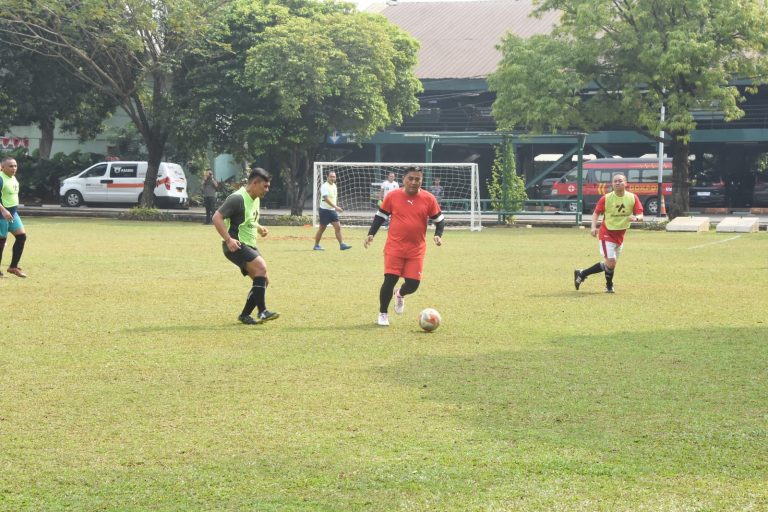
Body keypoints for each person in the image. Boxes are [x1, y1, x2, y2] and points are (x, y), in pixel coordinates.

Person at [364, 166, 444, 326]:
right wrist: (371, 233)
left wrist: (437, 235)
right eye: (411, 178)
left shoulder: (429, 198)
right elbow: (380, 216)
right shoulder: (393, 196)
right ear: (404, 180)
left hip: (417, 249)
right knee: (390, 279)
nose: (414, 182)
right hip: (395, 247)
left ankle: (400, 294)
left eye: (417, 179)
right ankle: (383, 314)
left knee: (413, 284)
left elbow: (439, 220)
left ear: (421, 181)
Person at [213, 167, 279, 325]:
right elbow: (217, 217)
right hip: (235, 244)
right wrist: (228, 240)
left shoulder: (255, 198)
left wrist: (259, 228)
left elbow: (248, 219)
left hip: (250, 244)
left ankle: (244, 315)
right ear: (255, 183)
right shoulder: (237, 198)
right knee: (261, 268)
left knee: (264, 281)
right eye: (265, 186)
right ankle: (262, 312)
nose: (267, 190)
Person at [574, 173, 643, 293]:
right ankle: (609, 286)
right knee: (611, 261)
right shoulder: (606, 198)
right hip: (607, 233)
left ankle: (582, 273)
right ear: (612, 184)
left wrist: (636, 218)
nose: (617, 183)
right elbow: (596, 213)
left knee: (611, 263)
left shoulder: (632, 198)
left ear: (626, 183)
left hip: (620, 235)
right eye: (615, 181)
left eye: (620, 181)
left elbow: (641, 215)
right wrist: (593, 227)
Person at [0, 157, 27, 278]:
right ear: (3, 167)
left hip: (13, 213)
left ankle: (13, 267)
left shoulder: (13, 177)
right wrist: (4, 210)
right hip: (2, 214)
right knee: (1, 242)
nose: (14, 168)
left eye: (15, 166)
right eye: (10, 166)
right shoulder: (1, 178)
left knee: (21, 237)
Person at [313, 171, 352, 251]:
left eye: (334, 176)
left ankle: (342, 245)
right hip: (324, 211)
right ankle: (316, 245)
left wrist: (335, 207)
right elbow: (326, 199)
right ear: (327, 177)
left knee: (338, 227)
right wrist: (336, 207)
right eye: (331, 176)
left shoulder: (334, 185)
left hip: (332, 211)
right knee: (322, 229)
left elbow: (333, 198)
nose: (332, 178)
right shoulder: (324, 186)